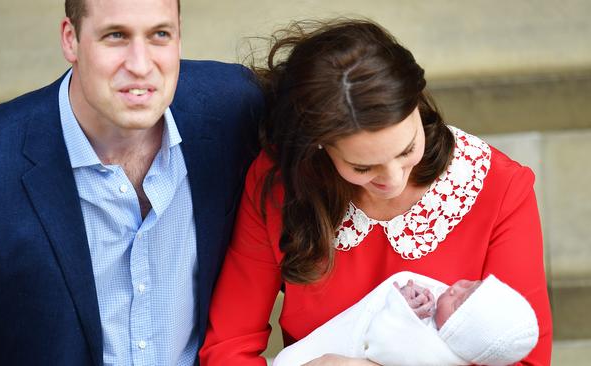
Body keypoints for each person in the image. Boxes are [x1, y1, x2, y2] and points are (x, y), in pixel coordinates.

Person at [199, 18, 552, 366]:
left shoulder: (499, 187)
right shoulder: (279, 185)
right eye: (362, 168)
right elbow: (229, 347)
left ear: (417, 104)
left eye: (406, 149)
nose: (394, 179)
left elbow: (525, 360)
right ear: (318, 147)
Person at [0, 0, 262, 364]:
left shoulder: (235, 108)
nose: (140, 65)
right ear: (70, 40)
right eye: (116, 36)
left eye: (159, 35)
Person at [273, 272, 539, 366]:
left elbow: (384, 344)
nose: (456, 286)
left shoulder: (433, 353)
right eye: (472, 284)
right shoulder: (440, 321)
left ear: (457, 335)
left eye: (459, 302)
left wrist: (402, 309)